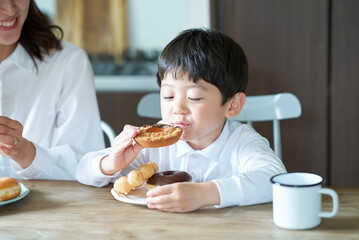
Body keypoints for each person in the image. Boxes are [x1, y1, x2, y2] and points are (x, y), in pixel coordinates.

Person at [76, 28, 286, 212]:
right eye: (168, 96)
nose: (177, 108)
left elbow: (274, 180)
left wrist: (205, 194)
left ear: (232, 105)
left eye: (193, 97)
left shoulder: (242, 142)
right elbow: (82, 170)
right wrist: (110, 163)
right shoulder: (152, 146)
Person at [0, 0, 104, 179]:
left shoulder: (67, 62)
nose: (10, 9)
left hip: (49, 206)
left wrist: (27, 154)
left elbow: (87, 167)